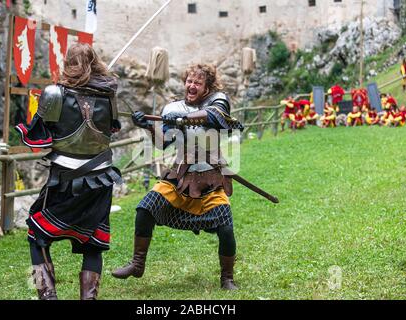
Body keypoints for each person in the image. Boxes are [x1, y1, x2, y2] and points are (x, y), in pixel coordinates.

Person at [112, 63, 244, 290]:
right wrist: (148, 127)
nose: (191, 86)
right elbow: (163, 143)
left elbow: (214, 117)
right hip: (181, 178)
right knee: (146, 208)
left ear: (207, 87)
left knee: (226, 228)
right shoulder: (173, 107)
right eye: (189, 81)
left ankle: (227, 278)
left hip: (211, 179)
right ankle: (137, 263)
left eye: (198, 83)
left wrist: (182, 118)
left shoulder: (218, 100)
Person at [15, 43, 122, 300]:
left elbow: (38, 137)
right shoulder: (108, 95)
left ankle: (47, 295)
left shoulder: (55, 93)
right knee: (93, 244)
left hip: (65, 180)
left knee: (35, 232)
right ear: (94, 62)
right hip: (101, 179)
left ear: (68, 63)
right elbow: (113, 128)